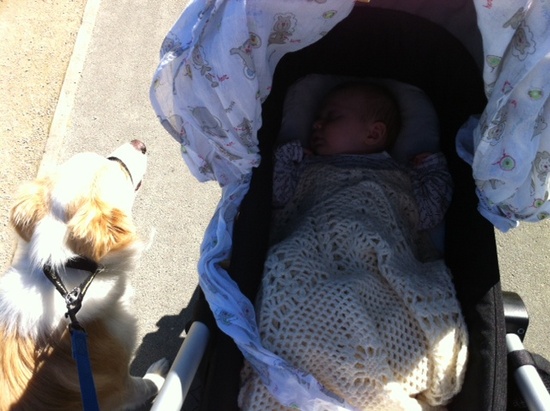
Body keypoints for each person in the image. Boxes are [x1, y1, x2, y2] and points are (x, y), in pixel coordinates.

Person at [272, 81, 452, 232]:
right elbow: (278, 196)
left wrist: (431, 168)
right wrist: (286, 157)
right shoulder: (307, 167)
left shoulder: (401, 175)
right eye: (318, 118)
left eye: (332, 117)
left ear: (373, 134)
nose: (316, 124)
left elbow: (430, 213)